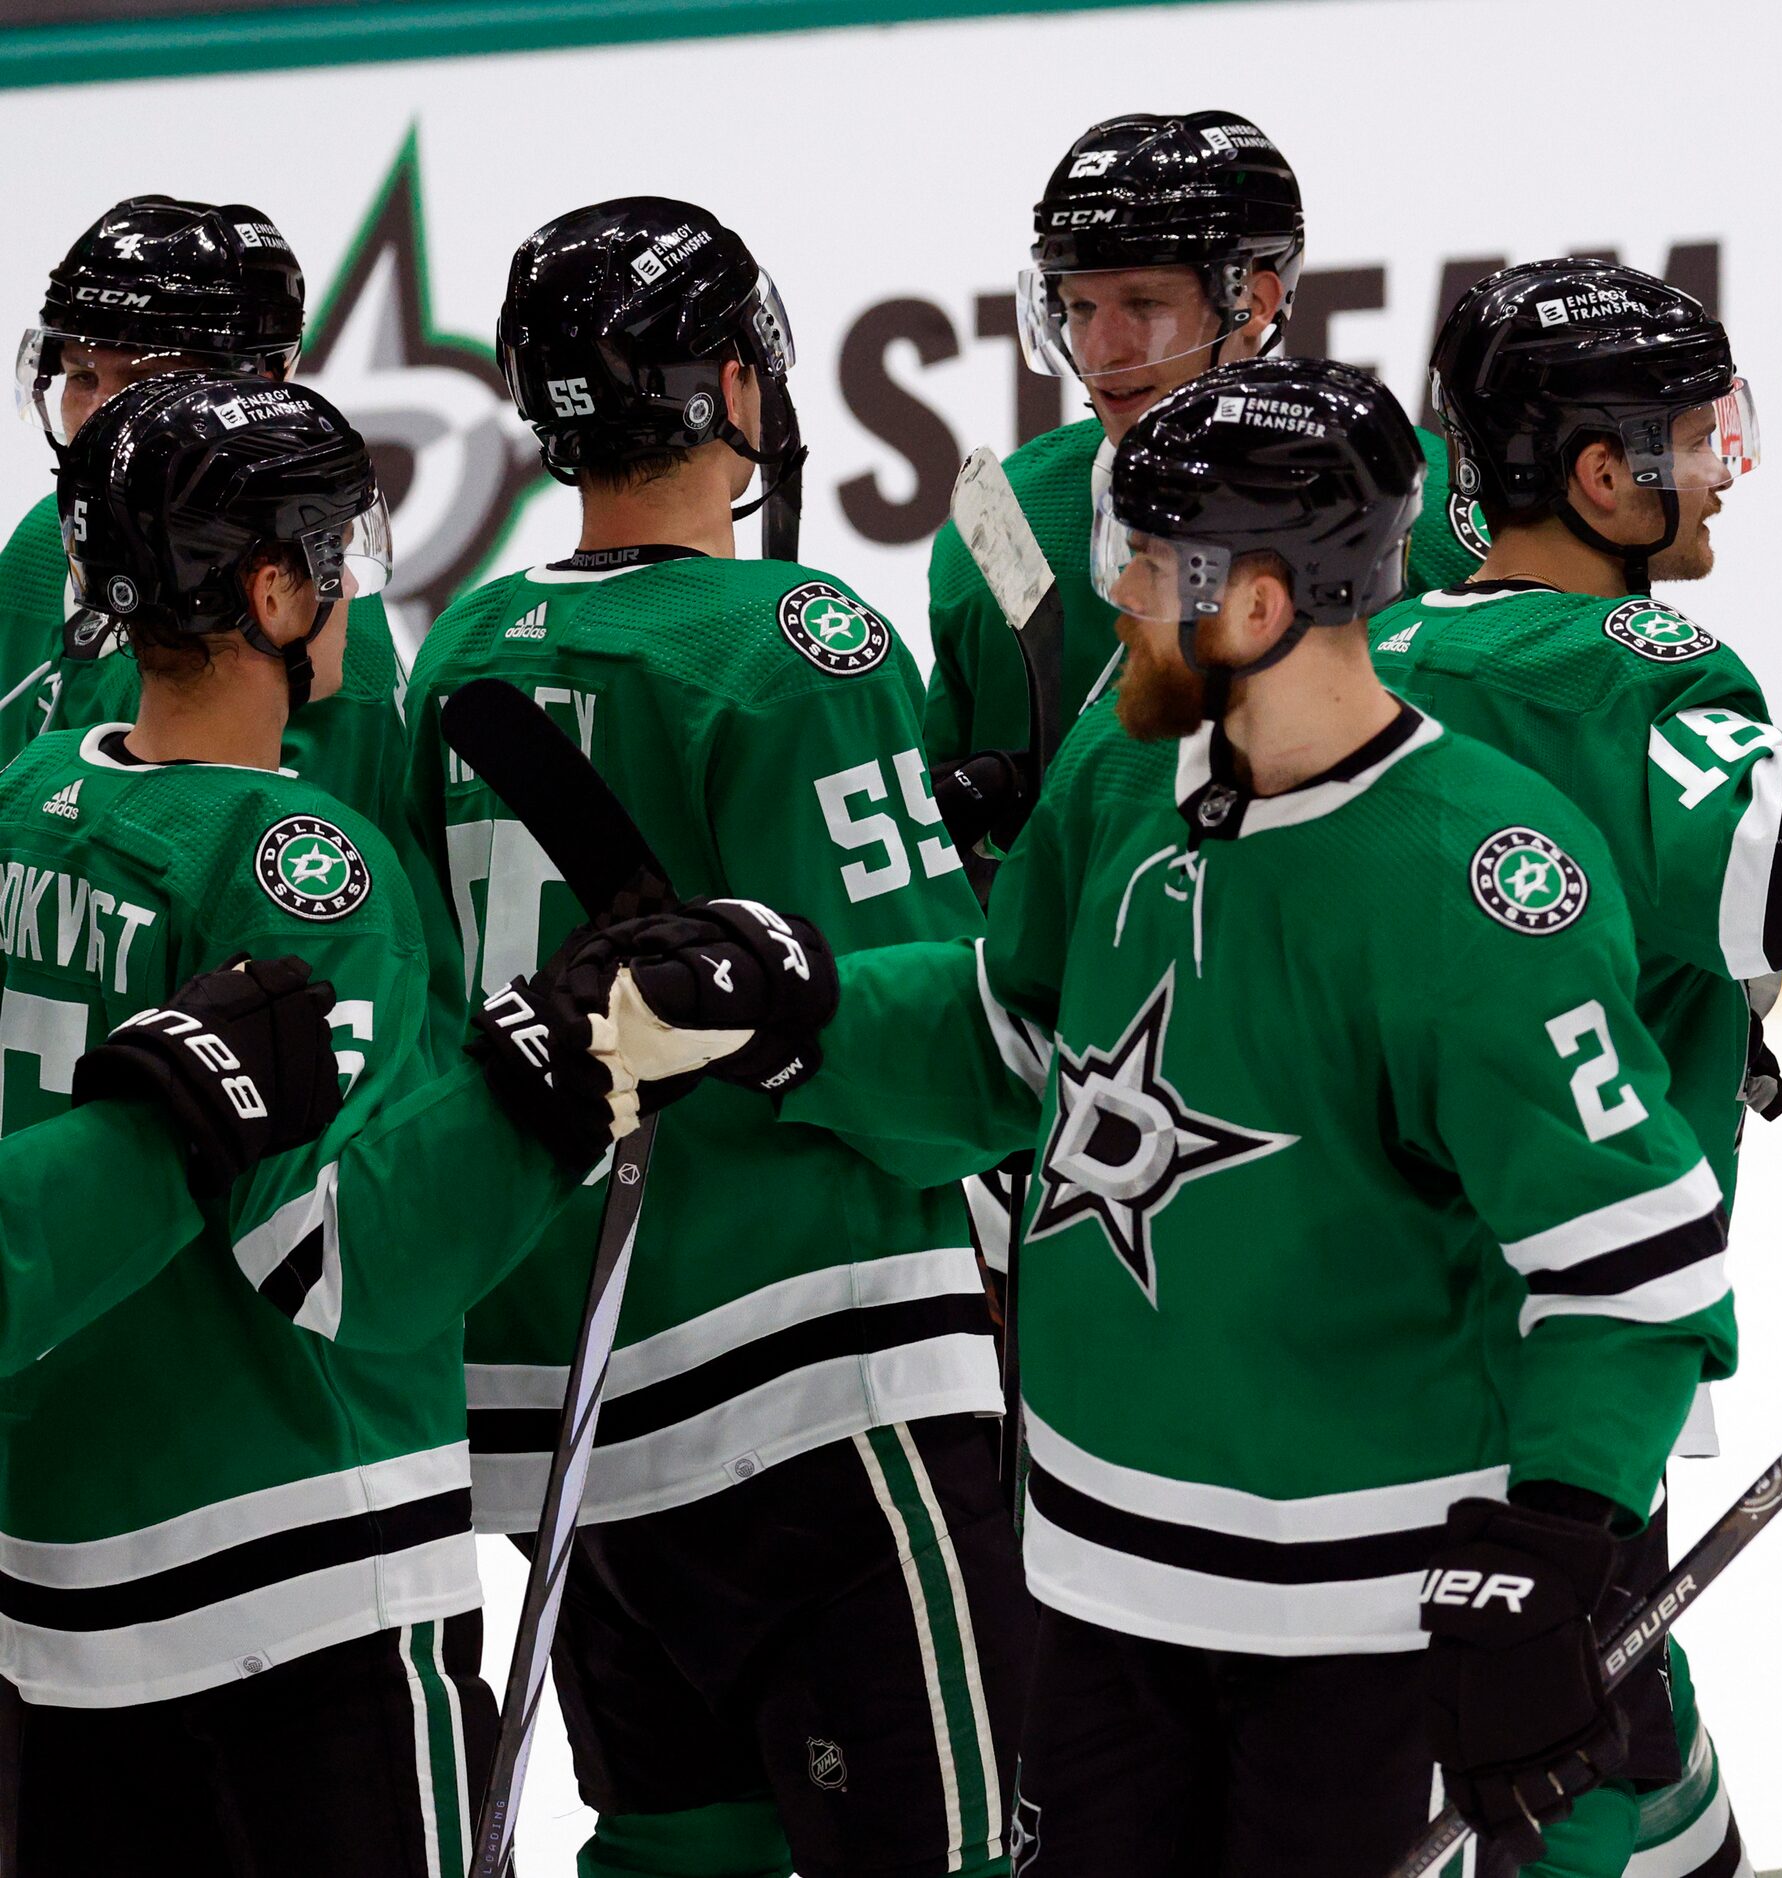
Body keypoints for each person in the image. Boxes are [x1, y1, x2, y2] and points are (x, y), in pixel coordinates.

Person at [632, 355, 1737, 1876]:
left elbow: (1630, 1264)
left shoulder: (1481, 874)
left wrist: (1553, 1550)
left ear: (1264, 604)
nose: (1119, 595)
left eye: (1151, 568)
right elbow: (1010, 1037)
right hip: (1099, 1591)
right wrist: (797, 1008)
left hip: (1360, 1615)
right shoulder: (1120, 769)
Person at [1367, 257, 1782, 1877]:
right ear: (1599, 478)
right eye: (1693, 430)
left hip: (1361, 1322)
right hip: (1539, 1356)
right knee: (1572, 1748)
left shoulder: (1379, 647)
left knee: (1606, 1737)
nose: (1721, 459)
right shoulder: (1617, 673)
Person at [404, 196, 1029, 1878]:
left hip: (565, 1401)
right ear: (730, 387)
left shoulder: (463, 642)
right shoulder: (792, 642)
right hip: (815, 1384)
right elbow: (948, 1061)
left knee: (677, 1845)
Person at [0, 371, 627, 1875]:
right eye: (337, 551)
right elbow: (337, 1256)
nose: (355, 586)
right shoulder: (302, 857)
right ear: (273, 588)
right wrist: (559, 1083)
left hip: (56, 1579)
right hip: (298, 1573)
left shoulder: (22, 801)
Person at [920, 109, 1487, 861]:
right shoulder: (1002, 521)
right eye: (1080, 306)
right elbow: (944, 867)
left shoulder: (1423, 509)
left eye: (1145, 305)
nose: (1100, 348)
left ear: (1252, 303)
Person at [4, 197, 414, 826]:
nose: (102, 420)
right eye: (82, 376)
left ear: (267, 382)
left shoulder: (322, 629)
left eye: (155, 382)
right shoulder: (43, 538)